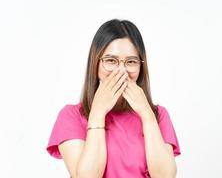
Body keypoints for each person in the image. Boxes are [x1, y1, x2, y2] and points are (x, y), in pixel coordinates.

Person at [46, 19, 181, 178]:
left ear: (140, 66)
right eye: (111, 60)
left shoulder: (159, 115)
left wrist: (146, 115)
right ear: (95, 64)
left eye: (131, 62)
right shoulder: (71, 116)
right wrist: (98, 112)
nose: (121, 71)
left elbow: (165, 176)